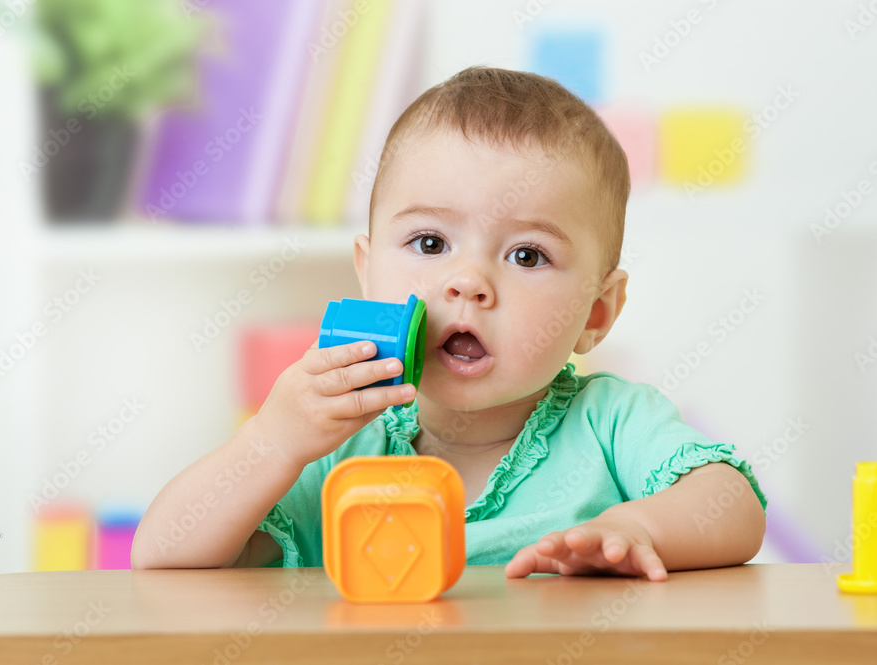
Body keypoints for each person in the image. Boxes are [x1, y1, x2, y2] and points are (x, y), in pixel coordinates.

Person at [132, 66, 767, 580]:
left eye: (527, 255)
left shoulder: (611, 422)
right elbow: (165, 555)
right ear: (368, 272)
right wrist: (270, 441)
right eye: (430, 243)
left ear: (594, 314)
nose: (467, 283)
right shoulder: (341, 446)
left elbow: (734, 506)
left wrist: (639, 530)